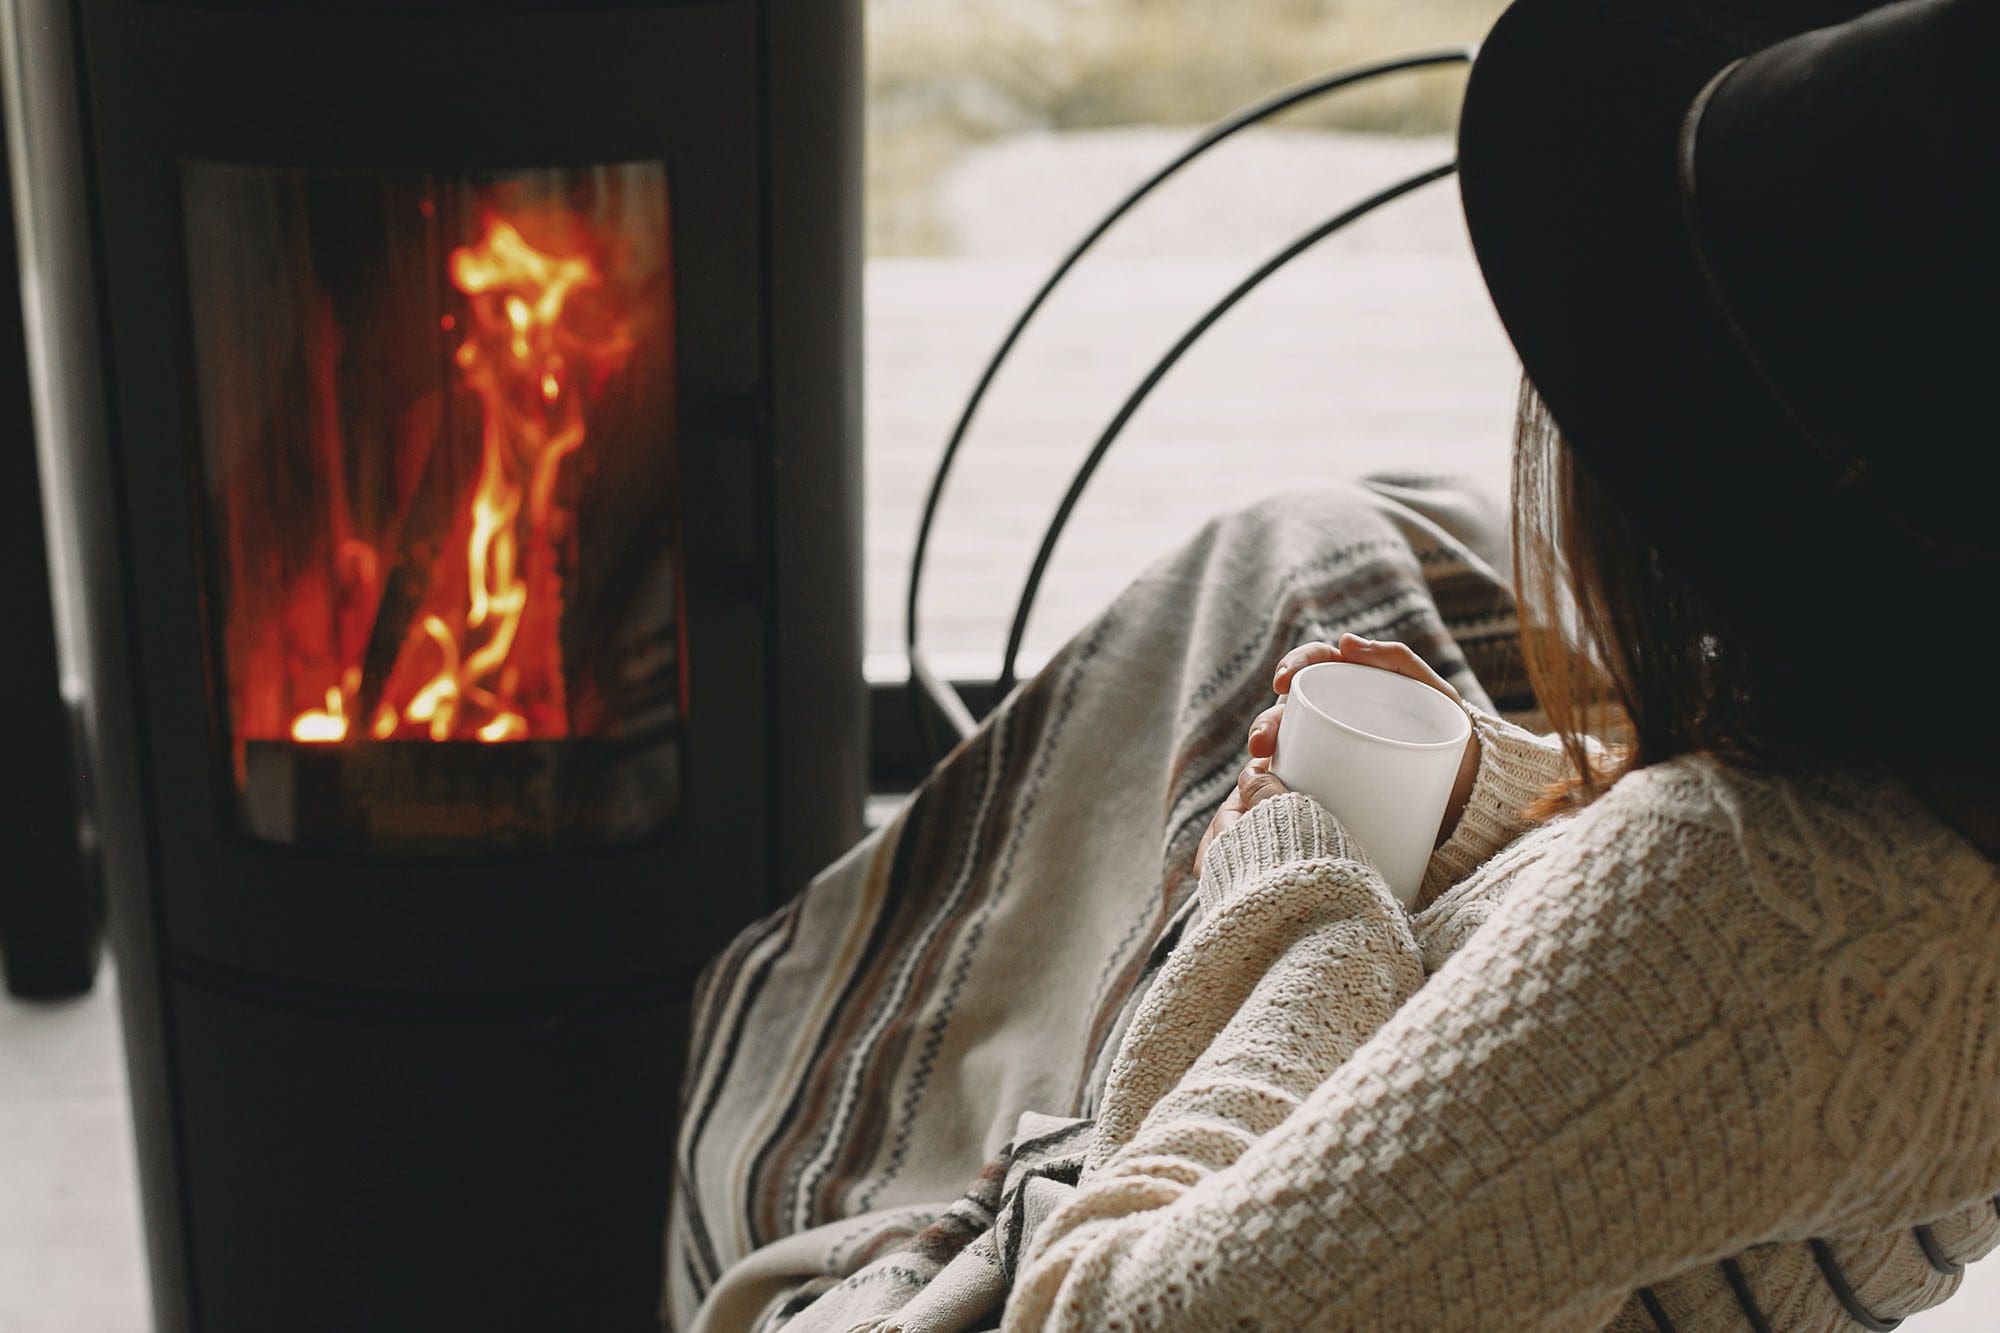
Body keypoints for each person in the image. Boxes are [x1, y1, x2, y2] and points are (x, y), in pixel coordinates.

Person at [999, 0, 2000, 1327]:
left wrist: (1306, 892)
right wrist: (1495, 787)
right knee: (1323, 542)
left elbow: (1105, 1318)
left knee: (1276, 562)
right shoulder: (1917, 819)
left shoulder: (1733, 910)